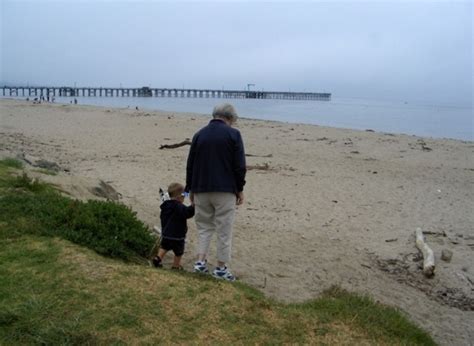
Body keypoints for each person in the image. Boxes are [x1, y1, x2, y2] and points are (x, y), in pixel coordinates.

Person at [185, 103, 246, 281]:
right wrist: (240, 189)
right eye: (234, 120)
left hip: (200, 189)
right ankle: (220, 268)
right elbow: (239, 166)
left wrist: (190, 192)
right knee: (224, 229)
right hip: (224, 189)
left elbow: (190, 165)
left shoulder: (199, 134)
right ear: (230, 118)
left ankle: (200, 262)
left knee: (204, 227)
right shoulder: (234, 134)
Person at [152, 183, 195, 270]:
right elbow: (187, 213)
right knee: (178, 252)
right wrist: (193, 207)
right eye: (183, 196)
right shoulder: (179, 206)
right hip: (177, 236)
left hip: (166, 234)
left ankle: (158, 258)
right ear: (179, 197)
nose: (184, 198)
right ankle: (176, 265)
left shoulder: (165, 206)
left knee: (164, 247)